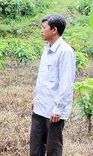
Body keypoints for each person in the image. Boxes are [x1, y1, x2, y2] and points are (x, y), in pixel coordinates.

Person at [30, 14, 76, 156]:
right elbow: (43, 78)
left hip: (53, 111)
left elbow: (66, 84)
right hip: (40, 106)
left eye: (44, 27)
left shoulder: (65, 52)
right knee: (36, 147)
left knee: (53, 149)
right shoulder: (47, 49)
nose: (41, 30)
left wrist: (58, 109)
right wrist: (36, 98)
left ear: (54, 30)